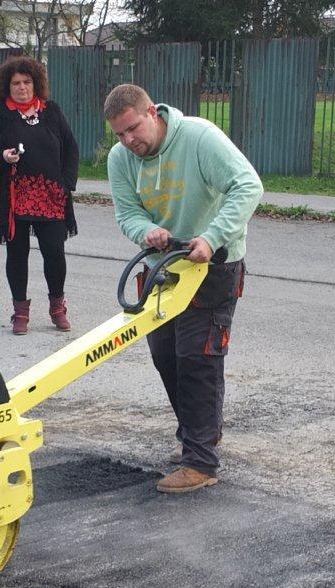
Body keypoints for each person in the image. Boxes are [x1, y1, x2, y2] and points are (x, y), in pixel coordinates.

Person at [103, 83, 262, 494]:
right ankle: (198, 434)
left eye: (134, 129)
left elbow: (248, 186)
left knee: (198, 357)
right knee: (166, 357)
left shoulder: (198, 137)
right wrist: (147, 231)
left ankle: (201, 461)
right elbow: (127, 213)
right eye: (119, 134)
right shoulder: (121, 158)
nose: (128, 141)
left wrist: (211, 237)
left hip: (212, 264)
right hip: (164, 267)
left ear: (152, 112)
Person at [0, 55, 79, 335]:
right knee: (17, 255)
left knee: (54, 252)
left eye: (27, 82)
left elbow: (70, 148)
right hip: (14, 199)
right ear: (7, 86)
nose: (21, 87)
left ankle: (57, 306)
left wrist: (65, 184)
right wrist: (2, 157)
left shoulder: (51, 111)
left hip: (51, 197)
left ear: (36, 83)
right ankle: (20, 312)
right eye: (16, 83)